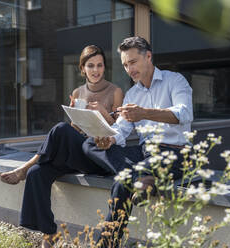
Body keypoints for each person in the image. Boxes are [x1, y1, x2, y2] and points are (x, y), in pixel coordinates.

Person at [0, 45, 123, 248]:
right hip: (78, 153)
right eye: (90, 65)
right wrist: (75, 115)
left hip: (100, 156)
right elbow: (75, 130)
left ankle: (25, 166)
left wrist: (103, 112)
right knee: (38, 173)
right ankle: (49, 234)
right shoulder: (78, 92)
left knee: (59, 129)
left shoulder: (115, 91)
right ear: (82, 68)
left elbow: (120, 131)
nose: (95, 70)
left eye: (99, 65)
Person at [82, 36, 193, 247]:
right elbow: (121, 129)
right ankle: (141, 176)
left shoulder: (175, 80)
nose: (129, 69)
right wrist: (109, 139)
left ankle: (105, 244)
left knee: (121, 181)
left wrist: (145, 113)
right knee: (89, 144)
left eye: (132, 62)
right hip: (145, 153)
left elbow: (185, 113)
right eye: (125, 64)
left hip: (175, 152)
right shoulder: (132, 93)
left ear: (148, 56)